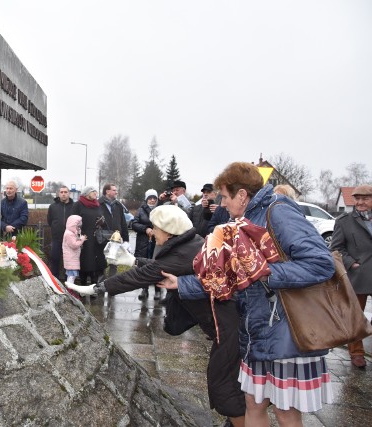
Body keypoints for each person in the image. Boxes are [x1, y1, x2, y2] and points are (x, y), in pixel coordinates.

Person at [160, 162, 334, 426]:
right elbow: (230, 275)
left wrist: (262, 272)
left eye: (226, 197)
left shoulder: (279, 212)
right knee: (252, 403)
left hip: (286, 328)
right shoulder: (244, 220)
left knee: (285, 412)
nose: (222, 203)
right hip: (258, 328)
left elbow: (321, 264)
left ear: (242, 195)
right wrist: (182, 284)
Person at [66, 205, 246, 426]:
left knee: (223, 387)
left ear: (169, 232)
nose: (152, 231)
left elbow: (139, 277)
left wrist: (96, 288)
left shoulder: (182, 253)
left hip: (227, 328)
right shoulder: (191, 243)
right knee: (232, 383)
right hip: (227, 324)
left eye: (156, 227)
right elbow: (160, 266)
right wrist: (133, 261)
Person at [331, 184, 372, 368]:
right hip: (359, 274)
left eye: (365, 198)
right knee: (355, 315)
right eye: (357, 199)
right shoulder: (344, 221)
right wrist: (351, 263)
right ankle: (356, 352)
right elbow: (336, 248)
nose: (360, 202)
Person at [71, 186, 106, 287]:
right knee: (84, 262)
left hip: (96, 238)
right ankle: (83, 285)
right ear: (86, 194)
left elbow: (102, 218)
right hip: (84, 238)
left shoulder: (97, 205)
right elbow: (73, 221)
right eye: (93, 191)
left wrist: (101, 222)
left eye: (96, 191)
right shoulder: (78, 205)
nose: (95, 193)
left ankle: (94, 287)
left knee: (95, 263)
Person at [130, 188, 159, 300]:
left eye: (154, 198)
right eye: (150, 198)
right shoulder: (140, 210)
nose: (152, 200)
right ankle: (144, 289)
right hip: (143, 243)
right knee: (144, 267)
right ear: (146, 199)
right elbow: (134, 224)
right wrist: (145, 229)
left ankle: (157, 290)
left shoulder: (160, 210)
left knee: (157, 266)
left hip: (157, 242)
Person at [99, 183, 129, 278]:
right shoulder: (99, 204)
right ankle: (101, 283)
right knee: (101, 261)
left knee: (114, 262)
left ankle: (111, 284)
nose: (116, 192)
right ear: (107, 191)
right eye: (114, 190)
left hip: (116, 238)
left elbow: (123, 222)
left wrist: (126, 239)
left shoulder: (118, 205)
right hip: (103, 237)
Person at [47, 185, 74, 280]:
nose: (63, 194)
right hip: (57, 238)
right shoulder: (53, 207)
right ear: (58, 194)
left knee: (69, 261)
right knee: (55, 259)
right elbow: (50, 221)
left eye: (65, 192)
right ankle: (55, 281)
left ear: (69, 193)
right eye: (61, 192)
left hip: (70, 239)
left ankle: (68, 283)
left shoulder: (74, 206)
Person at [62, 215, 87, 284]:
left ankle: (70, 289)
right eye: (77, 226)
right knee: (72, 276)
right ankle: (70, 290)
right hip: (71, 259)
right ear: (73, 225)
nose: (79, 228)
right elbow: (74, 245)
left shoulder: (71, 232)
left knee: (72, 275)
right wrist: (82, 239)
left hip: (72, 258)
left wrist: (78, 232)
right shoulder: (69, 234)